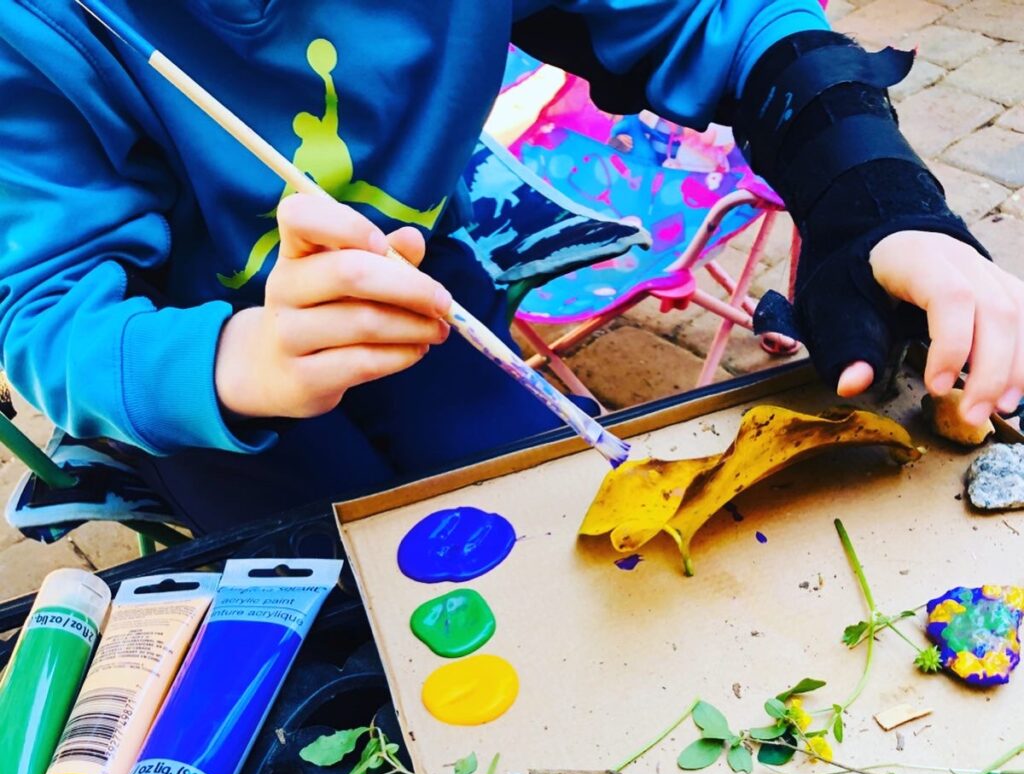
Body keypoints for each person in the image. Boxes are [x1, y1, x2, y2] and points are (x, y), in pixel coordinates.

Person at [1, 1, 1021, 533]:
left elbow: (717, 16)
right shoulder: (37, 29)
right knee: (334, 654)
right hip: (203, 370)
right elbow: (48, 313)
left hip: (424, 290)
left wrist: (874, 200)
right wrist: (235, 362)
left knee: (543, 540)